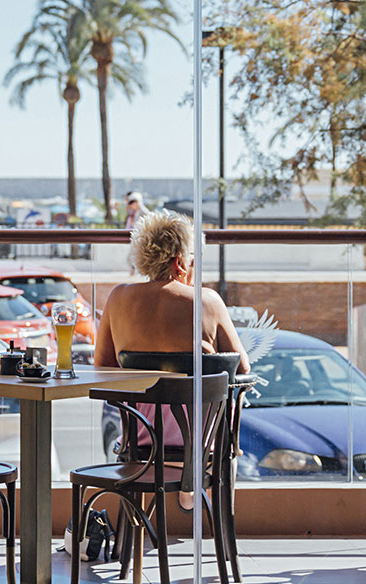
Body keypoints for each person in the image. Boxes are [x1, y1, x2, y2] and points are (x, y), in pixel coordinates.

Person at [95, 209, 250, 510]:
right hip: (203, 443)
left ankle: (138, 528)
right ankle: (197, 492)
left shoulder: (119, 299)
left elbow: (103, 367)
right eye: (192, 258)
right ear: (179, 261)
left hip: (141, 439)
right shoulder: (207, 302)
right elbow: (241, 369)